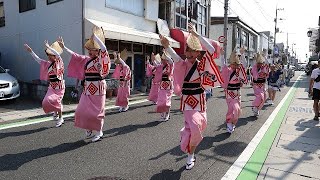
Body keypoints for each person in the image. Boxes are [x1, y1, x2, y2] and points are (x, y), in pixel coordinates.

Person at [160, 23, 223, 170]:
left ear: (198, 52)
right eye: (188, 51)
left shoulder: (202, 64)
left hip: (200, 101)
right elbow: (175, 57)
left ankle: (189, 149)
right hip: (188, 101)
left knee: (197, 126)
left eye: (193, 51)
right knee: (194, 127)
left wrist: (196, 34)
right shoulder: (183, 64)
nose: (189, 54)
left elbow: (212, 49)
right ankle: (190, 156)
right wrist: (167, 46)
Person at [57, 26, 111, 142]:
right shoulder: (86, 60)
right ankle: (89, 128)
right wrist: (64, 47)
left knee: (97, 112)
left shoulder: (101, 59)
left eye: (92, 50)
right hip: (87, 89)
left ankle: (99, 131)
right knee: (81, 110)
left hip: (98, 88)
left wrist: (96, 38)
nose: (90, 52)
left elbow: (104, 50)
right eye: (89, 50)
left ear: (98, 51)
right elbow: (75, 56)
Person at [24, 41, 65, 127]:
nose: (49, 57)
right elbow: (38, 59)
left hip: (60, 86)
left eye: (50, 55)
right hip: (52, 86)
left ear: (54, 56)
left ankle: (61, 118)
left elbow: (58, 55)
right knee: (46, 101)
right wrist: (31, 51)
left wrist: (49, 47)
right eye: (48, 55)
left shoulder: (59, 62)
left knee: (58, 101)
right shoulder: (48, 64)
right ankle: (55, 112)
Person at [220, 48, 248, 133]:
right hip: (229, 93)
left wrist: (242, 54)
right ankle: (229, 122)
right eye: (233, 64)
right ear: (231, 63)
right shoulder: (227, 70)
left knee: (237, 110)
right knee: (233, 109)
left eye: (237, 64)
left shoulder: (240, 71)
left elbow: (245, 65)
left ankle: (232, 122)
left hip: (237, 93)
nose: (235, 66)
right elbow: (223, 65)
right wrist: (222, 55)